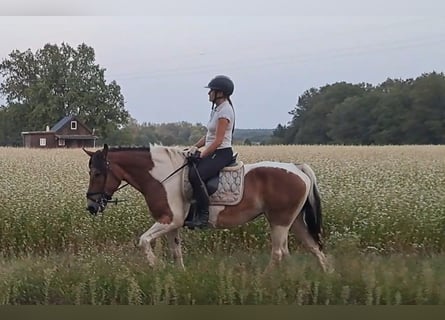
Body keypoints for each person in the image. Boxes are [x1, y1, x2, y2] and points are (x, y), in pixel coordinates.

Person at [184, 75, 235, 229]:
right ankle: (191, 211)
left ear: (220, 92)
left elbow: (218, 140)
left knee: (195, 174)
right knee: (188, 169)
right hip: (214, 151)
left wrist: (202, 155)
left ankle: (203, 216)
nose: (209, 93)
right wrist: (194, 147)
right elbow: (208, 136)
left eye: (211, 90)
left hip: (221, 152)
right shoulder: (217, 110)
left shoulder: (225, 111)